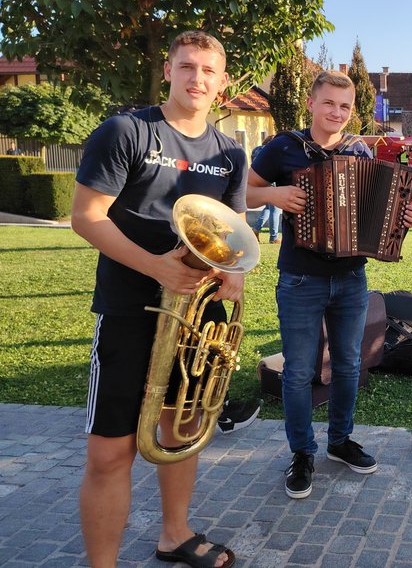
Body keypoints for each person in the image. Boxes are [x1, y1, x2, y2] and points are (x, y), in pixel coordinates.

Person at [72, 30, 244, 568]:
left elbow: (233, 236)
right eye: (187, 66)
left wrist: (233, 276)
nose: (198, 78)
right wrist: (155, 268)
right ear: (168, 71)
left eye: (209, 71)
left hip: (196, 315)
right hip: (128, 308)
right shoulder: (127, 131)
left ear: (222, 82)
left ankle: (175, 535)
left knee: (180, 431)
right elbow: (86, 216)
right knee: (111, 451)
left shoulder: (230, 151)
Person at [247, 70, 412, 500]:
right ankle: (302, 453)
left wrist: (403, 217)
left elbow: (383, 209)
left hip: (350, 278)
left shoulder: (359, 151)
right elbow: (245, 191)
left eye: (344, 106)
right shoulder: (284, 147)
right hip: (300, 278)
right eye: (329, 103)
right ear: (311, 103)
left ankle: (339, 441)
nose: (336, 113)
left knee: (348, 366)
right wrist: (275, 196)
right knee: (300, 370)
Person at [251, 137, 282, 243]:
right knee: (276, 210)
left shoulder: (256, 150)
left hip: (259, 182)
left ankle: (255, 230)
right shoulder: (272, 150)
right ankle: (273, 237)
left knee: (268, 209)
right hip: (272, 182)